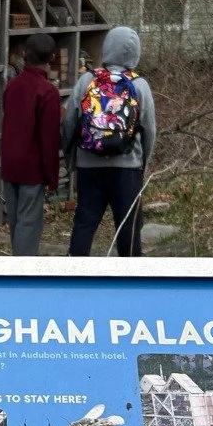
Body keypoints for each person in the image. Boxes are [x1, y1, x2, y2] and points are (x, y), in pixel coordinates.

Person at [62, 25, 155, 257]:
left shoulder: (87, 80)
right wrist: (143, 162)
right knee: (128, 227)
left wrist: (71, 158)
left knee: (85, 222)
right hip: (127, 168)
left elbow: (69, 121)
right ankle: (130, 272)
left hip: (89, 165)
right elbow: (149, 130)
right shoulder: (139, 85)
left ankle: (74, 270)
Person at [0, 33, 62, 255]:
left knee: (15, 221)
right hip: (32, 169)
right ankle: (24, 269)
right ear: (52, 57)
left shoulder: (12, 85)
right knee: (28, 223)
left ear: (25, 54)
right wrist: (52, 177)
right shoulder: (48, 91)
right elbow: (49, 139)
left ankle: (18, 261)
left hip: (9, 164)